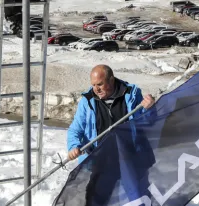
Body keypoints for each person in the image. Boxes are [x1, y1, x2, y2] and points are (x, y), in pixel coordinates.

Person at [67, 65, 157, 203]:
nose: (96, 89)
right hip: (102, 159)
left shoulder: (131, 94)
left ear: (111, 80)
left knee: (138, 198)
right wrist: (73, 146)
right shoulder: (88, 101)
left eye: (100, 84)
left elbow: (148, 122)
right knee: (94, 199)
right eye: (93, 85)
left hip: (129, 157)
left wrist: (149, 109)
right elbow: (75, 130)